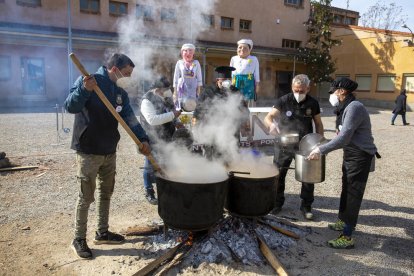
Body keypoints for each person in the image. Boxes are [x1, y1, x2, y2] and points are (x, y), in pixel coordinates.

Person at [64, 53, 151, 259]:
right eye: (126, 73)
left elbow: (129, 117)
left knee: (106, 193)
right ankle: (78, 238)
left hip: (109, 150)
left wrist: (143, 139)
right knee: (86, 197)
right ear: (115, 69)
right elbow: (70, 106)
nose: (128, 77)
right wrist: (84, 90)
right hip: (88, 149)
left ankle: (102, 232)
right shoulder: (89, 80)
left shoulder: (119, 92)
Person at [308, 77, 378, 249]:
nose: (331, 94)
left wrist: (321, 150)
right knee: (346, 188)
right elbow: (341, 136)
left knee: (353, 193)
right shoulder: (345, 107)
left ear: (341, 91)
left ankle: (347, 236)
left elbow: (344, 137)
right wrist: (322, 144)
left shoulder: (354, 107)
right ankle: (342, 221)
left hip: (360, 155)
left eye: (332, 91)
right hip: (351, 153)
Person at [264, 74, 324, 220]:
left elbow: (318, 123)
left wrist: (319, 141)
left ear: (308, 88)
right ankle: (276, 203)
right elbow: (269, 117)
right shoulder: (284, 100)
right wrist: (271, 125)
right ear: (292, 87)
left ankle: (306, 206)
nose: (298, 93)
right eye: (296, 90)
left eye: (302, 91)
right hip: (283, 145)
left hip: (305, 145)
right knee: (278, 174)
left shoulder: (313, 103)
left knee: (308, 176)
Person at [140, 76, 182, 204]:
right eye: (166, 89)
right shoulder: (147, 100)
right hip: (152, 137)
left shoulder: (167, 99)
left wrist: (178, 122)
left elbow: (172, 112)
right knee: (149, 166)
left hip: (167, 136)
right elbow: (152, 120)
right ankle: (149, 191)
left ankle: (166, 189)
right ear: (158, 89)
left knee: (167, 164)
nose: (168, 91)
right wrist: (172, 115)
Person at [193, 66, 250, 159]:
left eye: (228, 79)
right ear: (218, 80)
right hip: (211, 132)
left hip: (231, 132)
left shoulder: (236, 91)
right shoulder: (208, 91)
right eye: (223, 80)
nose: (226, 82)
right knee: (210, 158)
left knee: (230, 158)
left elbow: (245, 111)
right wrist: (196, 127)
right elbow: (198, 110)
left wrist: (245, 125)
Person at [230, 39, 260, 107]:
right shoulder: (233, 58)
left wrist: (257, 85)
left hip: (248, 82)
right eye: (240, 47)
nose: (242, 49)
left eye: (245, 48)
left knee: (248, 102)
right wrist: (231, 84)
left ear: (249, 50)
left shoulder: (254, 59)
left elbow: (256, 74)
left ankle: (249, 117)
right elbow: (232, 73)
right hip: (236, 81)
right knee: (236, 101)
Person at [173, 43, 203, 110]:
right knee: (181, 105)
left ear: (193, 53)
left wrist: (199, 89)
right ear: (182, 52)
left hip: (193, 88)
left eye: (190, 51)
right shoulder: (179, 63)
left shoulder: (196, 63)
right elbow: (176, 77)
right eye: (185, 51)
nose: (188, 53)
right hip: (182, 88)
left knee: (192, 105)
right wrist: (175, 92)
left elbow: (199, 77)